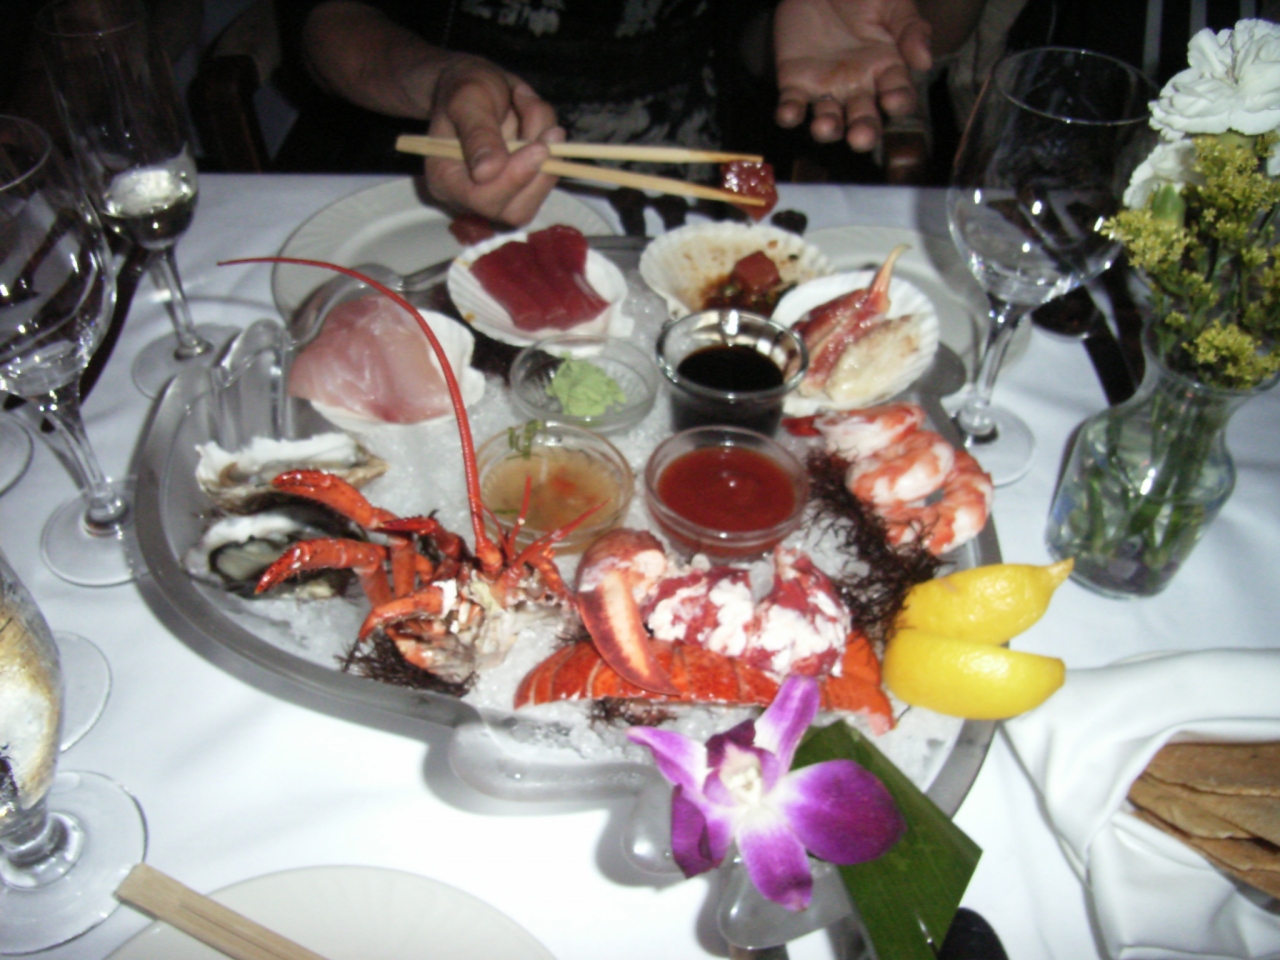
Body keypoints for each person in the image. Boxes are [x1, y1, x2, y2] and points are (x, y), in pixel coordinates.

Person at [275, 0, 987, 224]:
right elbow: (325, 23)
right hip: (419, 171)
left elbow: (937, 31)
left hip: (686, 190)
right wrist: (443, 81)